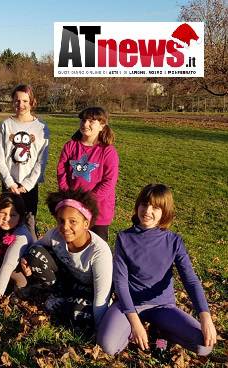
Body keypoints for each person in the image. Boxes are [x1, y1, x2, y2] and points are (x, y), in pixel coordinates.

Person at [97, 184, 216, 356]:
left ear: (164, 212)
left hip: (163, 306)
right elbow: (120, 283)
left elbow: (190, 280)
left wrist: (205, 316)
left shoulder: (174, 241)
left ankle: (160, 330)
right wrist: (135, 323)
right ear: (138, 205)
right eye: (144, 204)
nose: (147, 211)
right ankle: (135, 330)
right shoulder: (124, 238)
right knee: (107, 346)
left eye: (156, 207)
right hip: (129, 305)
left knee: (204, 346)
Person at [20, 189, 112, 329]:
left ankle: (70, 305)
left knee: (79, 314)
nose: (65, 227)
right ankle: (57, 294)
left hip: (91, 290)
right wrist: (25, 259)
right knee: (35, 254)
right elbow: (36, 246)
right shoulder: (55, 234)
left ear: (86, 224)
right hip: (67, 281)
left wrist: (100, 327)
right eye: (61, 221)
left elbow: (101, 295)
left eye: (73, 221)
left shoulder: (99, 252)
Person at [0, 84, 49, 237]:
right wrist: (9, 182)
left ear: (33, 102)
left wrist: (27, 185)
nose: (21, 104)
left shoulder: (41, 127)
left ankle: (29, 255)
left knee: (28, 222)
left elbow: (41, 160)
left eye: (25, 101)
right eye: (17, 100)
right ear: (13, 102)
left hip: (29, 186)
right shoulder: (5, 125)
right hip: (9, 183)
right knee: (7, 220)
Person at [57, 107, 118, 241]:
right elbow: (61, 171)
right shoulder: (70, 146)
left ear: (102, 126)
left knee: (95, 247)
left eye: (91, 121)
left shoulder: (108, 151)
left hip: (98, 212)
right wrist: (69, 196)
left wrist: (88, 201)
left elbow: (109, 181)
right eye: (83, 120)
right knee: (72, 245)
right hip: (74, 208)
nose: (85, 124)